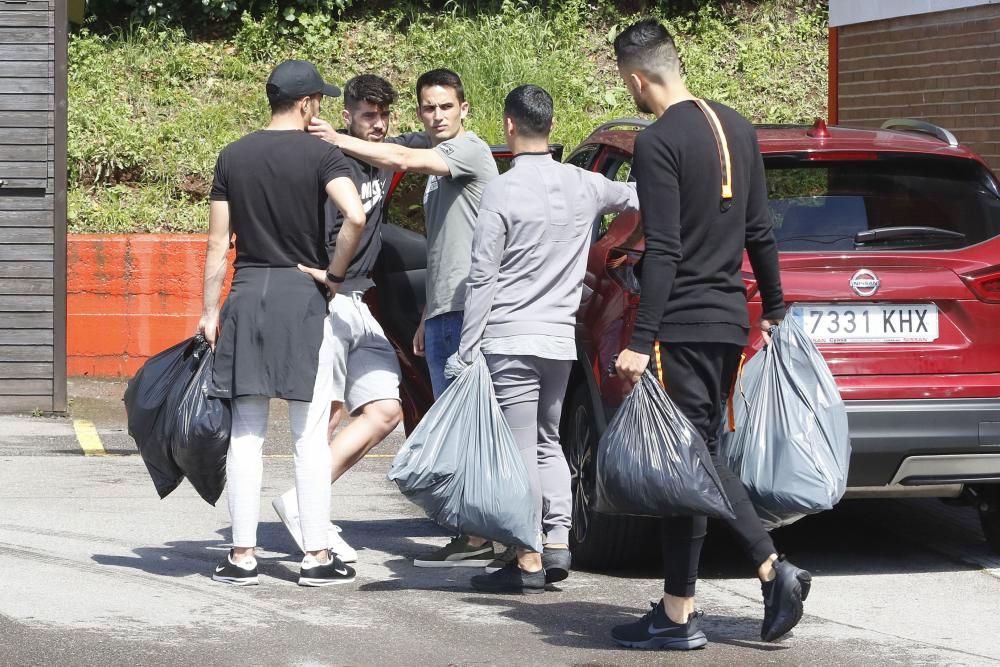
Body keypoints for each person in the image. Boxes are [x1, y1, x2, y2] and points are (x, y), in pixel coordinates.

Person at [610, 19, 812, 648]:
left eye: (628, 84)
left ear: (638, 78)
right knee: (692, 460)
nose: (632, 94)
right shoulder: (739, 129)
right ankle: (677, 612)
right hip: (729, 320)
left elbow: (663, 249)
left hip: (682, 326)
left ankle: (772, 567)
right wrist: (774, 304)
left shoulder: (658, 142)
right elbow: (761, 231)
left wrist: (641, 340)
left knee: (690, 459)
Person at [438, 85, 638, 594]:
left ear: (509, 126)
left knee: (521, 442)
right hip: (559, 342)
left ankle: (527, 555)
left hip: (509, 338)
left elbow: (482, 277)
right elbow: (641, 196)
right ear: (550, 125)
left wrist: (466, 349)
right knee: (550, 441)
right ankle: (557, 542)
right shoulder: (585, 184)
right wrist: (622, 246)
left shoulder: (501, 191)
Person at [311, 68, 501, 569]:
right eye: (428, 107)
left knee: (467, 424)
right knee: (449, 422)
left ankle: (483, 536)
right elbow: (444, 249)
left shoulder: (468, 152)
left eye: (445, 106)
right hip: (442, 312)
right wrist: (426, 314)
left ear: (465, 109)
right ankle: (470, 531)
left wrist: (333, 135)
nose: (436, 115)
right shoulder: (437, 163)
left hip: (471, 315)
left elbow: (398, 155)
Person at [199, 60, 366, 587]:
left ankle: (241, 555)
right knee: (308, 434)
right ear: (306, 104)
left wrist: (208, 311)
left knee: (245, 433)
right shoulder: (323, 153)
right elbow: (355, 216)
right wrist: (335, 274)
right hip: (301, 298)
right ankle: (316, 556)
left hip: (246, 296)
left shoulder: (233, 155)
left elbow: (216, 247)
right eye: (319, 100)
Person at [273, 74, 432, 565]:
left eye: (384, 115)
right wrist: (318, 277)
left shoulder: (383, 156)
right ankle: (311, 515)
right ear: (346, 115)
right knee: (329, 414)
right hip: (326, 298)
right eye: (368, 115)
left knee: (385, 410)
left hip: (361, 304)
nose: (378, 124)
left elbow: (426, 146)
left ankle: (302, 502)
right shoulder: (327, 159)